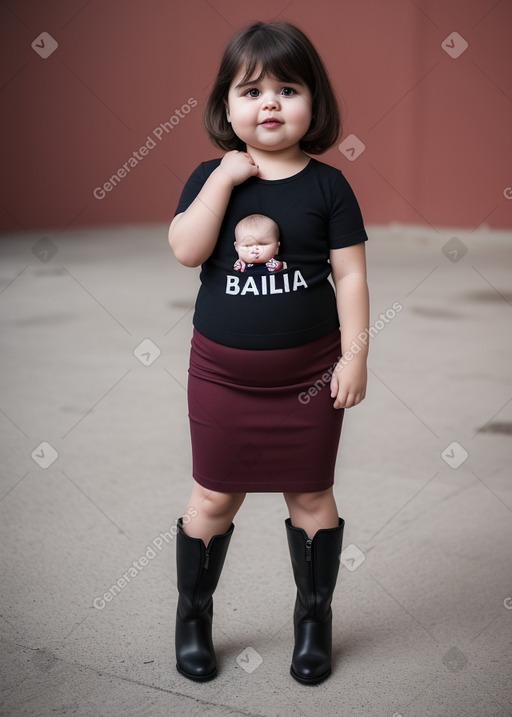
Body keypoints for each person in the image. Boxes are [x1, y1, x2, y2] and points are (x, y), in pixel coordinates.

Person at [168, 20, 369, 686]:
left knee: (312, 496)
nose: (271, 103)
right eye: (252, 90)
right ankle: (193, 614)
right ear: (227, 106)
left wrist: (356, 356)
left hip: (310, 380)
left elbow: (351, 277)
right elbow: (186, 249)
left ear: (315, 102)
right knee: (212, 497)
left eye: (288, 87)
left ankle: (314, 618)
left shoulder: (328, 187)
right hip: (222, 378)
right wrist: (224, 180)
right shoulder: (209, 177)